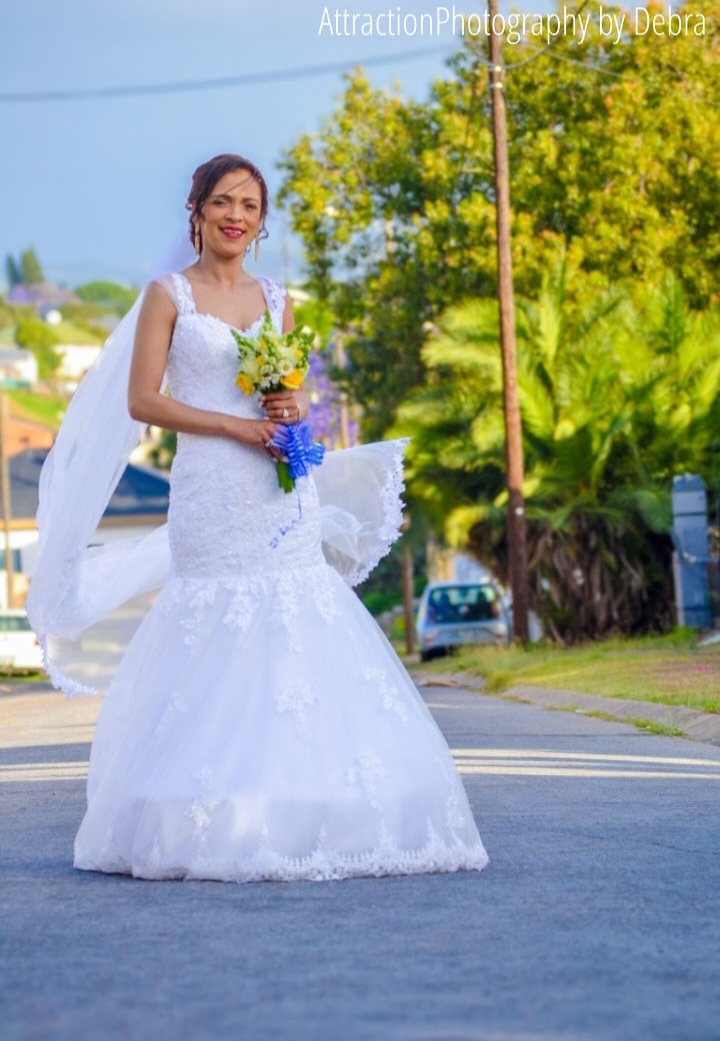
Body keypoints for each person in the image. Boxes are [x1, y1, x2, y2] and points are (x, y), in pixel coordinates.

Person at [31, 153, 488, 882]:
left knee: (297, 613)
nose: (235, 215)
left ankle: (311, 800)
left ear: (261, 220)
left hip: (281, 485)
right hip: (211, 487)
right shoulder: (167, 295)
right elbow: (143, 401)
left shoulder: (277, 297)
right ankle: (206, 808)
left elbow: (286, 392)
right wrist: (235, 427)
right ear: (197, 211)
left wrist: (286, 410)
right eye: (222, 201)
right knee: (216, 618)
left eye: (249, 204)